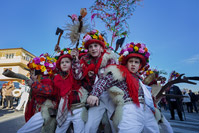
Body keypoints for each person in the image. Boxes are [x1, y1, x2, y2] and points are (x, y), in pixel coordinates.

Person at [87, 42, 159, 133]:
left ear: (140, 65)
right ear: (126, 63)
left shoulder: (140, 78)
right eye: (131, 61)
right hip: (130, 109)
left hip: (146, 110)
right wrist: (94, 94)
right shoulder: (120, 72)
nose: (133, 64)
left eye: (136, 62)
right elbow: (104, 80)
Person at [71, 29, 118, 133]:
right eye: (90, 47)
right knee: (89, 127)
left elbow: (108, 78)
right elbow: (78, 76)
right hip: (96, 99)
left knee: (116, 126)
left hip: (111, 96)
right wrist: (75, 60)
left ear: (101, 48)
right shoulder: (85, 60)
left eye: (95, 46)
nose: (93, 49)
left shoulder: (110, 58)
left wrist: (95, 93)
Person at [17, 53, 58, 133]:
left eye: (32, 73)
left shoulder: (46, 81)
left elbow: (49, 91)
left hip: (43, 113)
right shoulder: (38, 82)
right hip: (38, 112)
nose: (30, 76)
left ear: (38, 73)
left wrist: (33, 84)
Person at [54, 49, 87, 133]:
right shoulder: (57, 77)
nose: (64, 64)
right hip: (65, 109)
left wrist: (75, 60)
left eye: (67, 62)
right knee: (59, 131)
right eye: (62, 62)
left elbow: (78, 75)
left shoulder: (75, 73)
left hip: (78, 108)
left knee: (79, 131)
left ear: (71, 63)